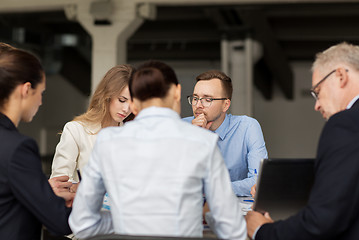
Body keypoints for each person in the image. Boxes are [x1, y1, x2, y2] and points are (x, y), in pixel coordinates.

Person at [69, 61, 247, 239]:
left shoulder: (107, 142)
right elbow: (232, 229)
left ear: (134, 103)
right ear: (177, 92)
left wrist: (127, 221)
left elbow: (82, 224)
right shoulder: (204, 142)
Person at [245, 42, 359, 240]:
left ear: (340, 76)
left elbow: (323, 221)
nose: (317, 105)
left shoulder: (345, 123)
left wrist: (262, 231)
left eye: (317, 91)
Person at [0, 43, 75, 239]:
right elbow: (60, 222)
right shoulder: (18, 148)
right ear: (26, 90)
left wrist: (40, 191)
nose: (41, 102)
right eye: (41, 93)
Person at [183, 70, 268, 196]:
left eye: (207, 99)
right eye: (195, 98)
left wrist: (212, 190)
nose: (198, 105)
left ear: (225, 105)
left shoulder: (247, 127)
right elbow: (172, 181)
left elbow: (259, 181)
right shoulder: (183, 127)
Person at [50, 64, 134, 182]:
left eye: (132, 103)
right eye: (122, 100)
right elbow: (59, 182)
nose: (126, 109)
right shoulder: (76, 130)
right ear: (107, 96)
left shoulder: (133, 136)